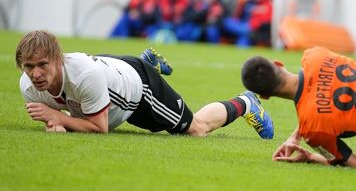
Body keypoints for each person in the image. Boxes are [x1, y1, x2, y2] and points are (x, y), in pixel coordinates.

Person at [16, 30, 274, 139]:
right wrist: (56, 123)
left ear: (58, 59)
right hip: (111, 73)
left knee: (196, 129)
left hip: (137, 89)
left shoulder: (84, 76)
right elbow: (65, 119)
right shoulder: (28, 86)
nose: (35, 74)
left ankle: (245, 103)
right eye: (29, 67)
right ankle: (145, 62)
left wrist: (57, 118)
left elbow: (99, 127)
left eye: (42, 65)